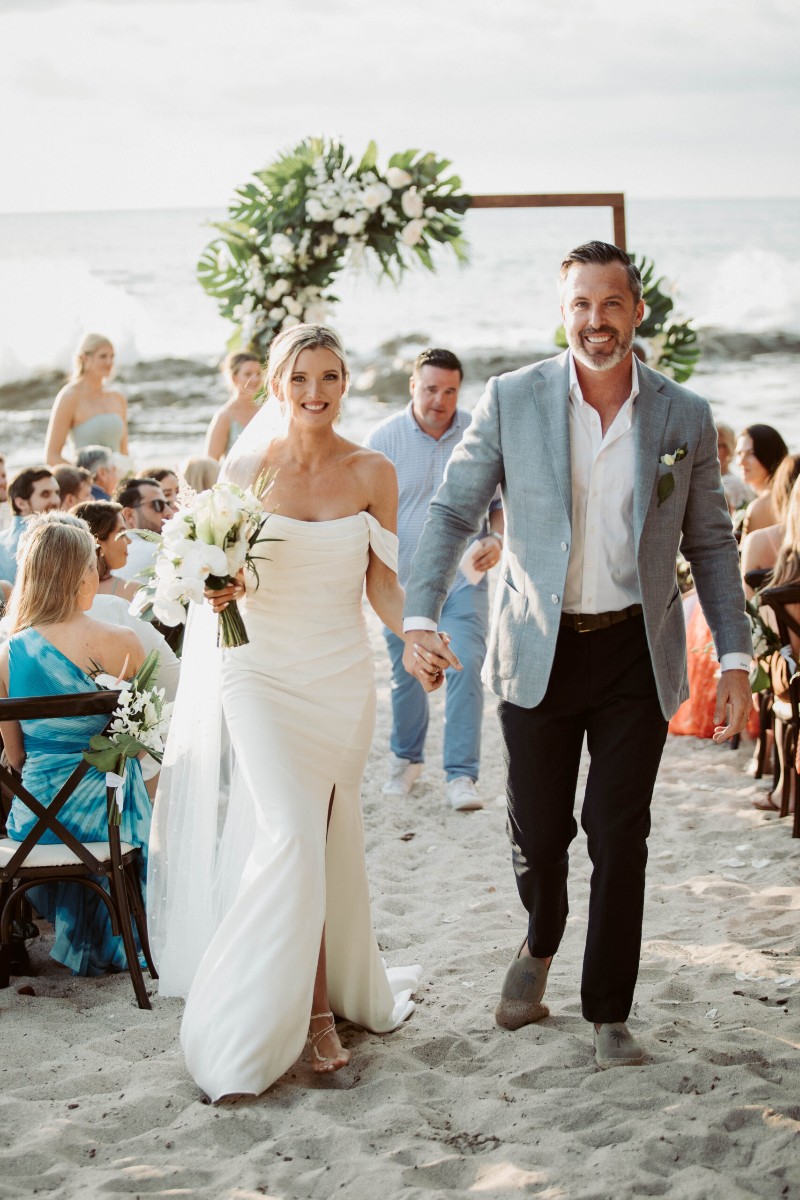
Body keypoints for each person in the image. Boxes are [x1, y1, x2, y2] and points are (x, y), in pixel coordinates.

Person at [401, 241, 752, 1068]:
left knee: (620, 833)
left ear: (636, 310)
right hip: (539, 647)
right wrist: (420, 614)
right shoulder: (512, 398)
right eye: (580, 305)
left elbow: (710, 542)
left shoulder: (682, 415)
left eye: (611, 303)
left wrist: (735, 657)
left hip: (636, 649)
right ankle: (542, 933)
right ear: (563, 313)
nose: (596, 321)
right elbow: (453, 511)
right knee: (538, 831)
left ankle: (609, 1011)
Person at [147, 323, 420, 1101]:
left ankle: (323, 999)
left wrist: (416, 635)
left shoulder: (373, 471)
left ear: (345, 383)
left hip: (339, 678)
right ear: (275, 386)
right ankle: (299, 1012)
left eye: (329, 376)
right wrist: (221, 587)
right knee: (293, 835)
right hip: (259, 674)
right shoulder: (246, 468)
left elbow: (383, 583)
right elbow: (224, 572)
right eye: (299, 378)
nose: (314, 392)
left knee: (323, 843)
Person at [0, 513, 151, 976]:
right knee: (128, 777)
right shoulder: (123, 642)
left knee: (35, 784)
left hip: (35, 824)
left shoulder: (7, 654)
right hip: (107, 821)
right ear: (83, 574)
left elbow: (16, 757)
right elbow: (136, 744)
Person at [366, 348, 504, 811]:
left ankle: (461, 775)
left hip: (464, 580)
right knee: (407, 674)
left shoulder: (478, 433)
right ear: (412, 386)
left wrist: (497, 539)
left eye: (450, 391)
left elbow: (499, 504)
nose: (440, 400)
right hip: (401, 586)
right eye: (430, 389)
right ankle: (406, 761)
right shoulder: (382, 440)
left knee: (465, 663)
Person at [44, 334, 128, 465]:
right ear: (85, 358)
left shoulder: (118, 397)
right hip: (85, 476)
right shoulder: (69, 397)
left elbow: (124, 453)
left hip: (118, 476)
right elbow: (51, 456)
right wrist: (83, 476)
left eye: (112, 357)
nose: (109, 363)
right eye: (103, 356)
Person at [0, 466, 61, 583]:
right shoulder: (49, 539)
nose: (56, 500)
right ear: (21, 503)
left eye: (57, 493)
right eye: (45, 494)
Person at [72, 499, 141, 603]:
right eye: (122, 534)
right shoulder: (135, 592)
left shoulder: (61, 591)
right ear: (98, 542)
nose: (129, 541)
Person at [204, 352, 263, 461]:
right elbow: (210, 462)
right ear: (234, 378)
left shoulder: (265, 413)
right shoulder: (225, 416)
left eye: (258, 373)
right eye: (248, 374)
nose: (255, 379)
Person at [111, 477, 170, 584]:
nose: (168, 512)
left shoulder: (110, 554)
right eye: (158, 505)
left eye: (168, 504)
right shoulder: (160, 553)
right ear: (129, 515)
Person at [736, 424, 788, 537]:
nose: (741, 462)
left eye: (751, 453)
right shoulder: (785, 496)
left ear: (770, 454)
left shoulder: (761, 507)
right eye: (739, 453)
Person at [716, 422, 752, 513]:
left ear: (729, 448)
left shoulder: (737, 484)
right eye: (708, 444)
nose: (713, 449)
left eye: (719, 445)